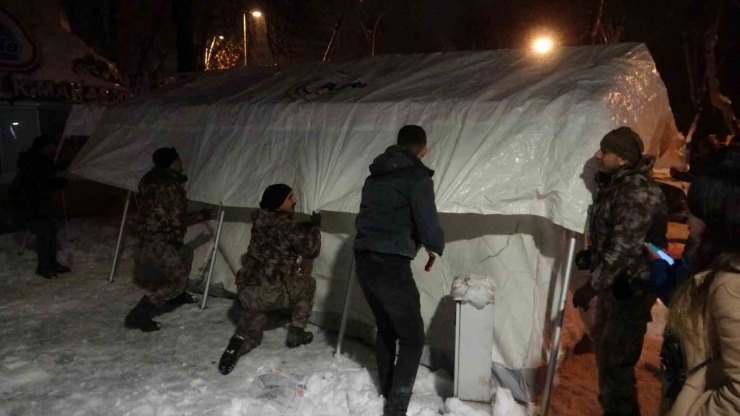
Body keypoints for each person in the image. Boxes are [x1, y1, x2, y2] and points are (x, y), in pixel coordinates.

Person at [572, 127, 667, 416]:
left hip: (631, 289)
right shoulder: (618, 185)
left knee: (617, 365)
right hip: (617, 285)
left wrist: (593, 285)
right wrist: (594, 255)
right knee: (607, 356)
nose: (599, 155)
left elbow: (626, 246)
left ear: (623, 158)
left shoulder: (637, 191)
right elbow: (616, 234)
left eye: (605, 151)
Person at [354, 125, 445, 416]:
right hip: (391, 264)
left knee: (387, 328)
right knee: (413, 337)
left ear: (398, 144)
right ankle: (396, 408)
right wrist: (434, 244)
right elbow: (427, 221)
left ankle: (387, 389)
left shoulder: (374, 176)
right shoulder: (417, 177)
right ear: (424, 150)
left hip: (364, 259)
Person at [662, 149, 740, 416]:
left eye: (695, 210)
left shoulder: (729, 284)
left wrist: (692, 411)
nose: (687, 216)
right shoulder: (714, 264)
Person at [218, 184, 321, 375]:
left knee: (251, 335)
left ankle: (238, 343)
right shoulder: (288, 226)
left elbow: (277, 239)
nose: (295, 200)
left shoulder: (259, 222)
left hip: (247, 291)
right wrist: (314, 227)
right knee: (309, 283)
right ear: (279, 202)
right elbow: (311, 250)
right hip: (270, 292)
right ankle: (296, 333)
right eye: (290, 197)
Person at [124, 147, 212, 332]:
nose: (181, 163)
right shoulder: (171, 186)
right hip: (161, 240)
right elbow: (177, 220)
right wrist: (202, 215)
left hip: (151, 237)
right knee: (178, 281)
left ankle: (176, 296)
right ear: (172, 162)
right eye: (178, 160)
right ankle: (138, 314)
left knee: (185, 253)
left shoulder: (148, 180)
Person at [9, 136, 70, 279]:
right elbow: (43, 184)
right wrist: (63, 180)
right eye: (52, 146)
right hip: (27, 205)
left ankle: (52, 263)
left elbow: (45, 182)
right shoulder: (35, 163)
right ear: (45, 147)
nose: (54, 149)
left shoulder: (39, 160)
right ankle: (43, 267)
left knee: (51, 228)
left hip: (36, 204)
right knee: (44, 232)